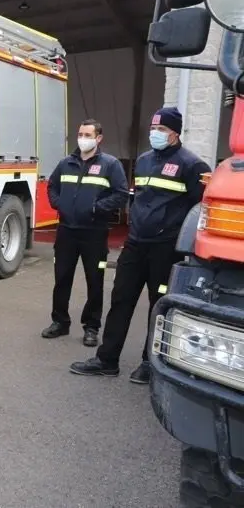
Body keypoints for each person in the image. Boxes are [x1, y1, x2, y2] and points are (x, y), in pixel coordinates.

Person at [70, 107, 212, 383]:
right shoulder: (145, 160)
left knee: (158, 305)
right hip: (136, 244)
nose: (154, 134)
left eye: (161, 130)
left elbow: (199, 211)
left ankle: (150, 363)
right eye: (153, 128)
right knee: (120, 299)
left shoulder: (193, 165)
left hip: (165, 248)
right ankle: (106, 359)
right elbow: (138, 199)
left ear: (174, 133)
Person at [40, 119, 128, 347]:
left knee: (94, 281)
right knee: (62, 279)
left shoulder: (110, 164)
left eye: (88, 135)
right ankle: (60, 322)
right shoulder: (65, 163)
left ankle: (91, 327)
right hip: (67, 231)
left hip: (94, 233)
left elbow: (120, 194)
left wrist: (96, 208)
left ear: (98, 138)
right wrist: (61, 205)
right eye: (80, 134)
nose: (83, 138)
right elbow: (52, 186)